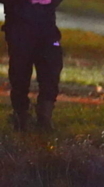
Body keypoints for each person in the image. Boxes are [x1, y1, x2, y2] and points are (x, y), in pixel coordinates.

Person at [1, 0, 63, 131]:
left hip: (46, 24)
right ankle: (21, 115)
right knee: (20, 72)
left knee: (51, 69)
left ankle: (44, 117)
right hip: (19, 24)